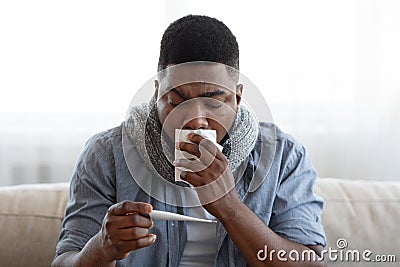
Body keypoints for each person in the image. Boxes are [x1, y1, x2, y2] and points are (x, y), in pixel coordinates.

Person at [52, 15, 326, 267]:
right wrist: (101, 248)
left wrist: (228, 207)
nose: (195, 121)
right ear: (157, 93)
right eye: (176, 101)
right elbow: (65, 260)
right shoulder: (106, 154)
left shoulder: (284, 156)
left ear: (238, 99)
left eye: (214, 103)